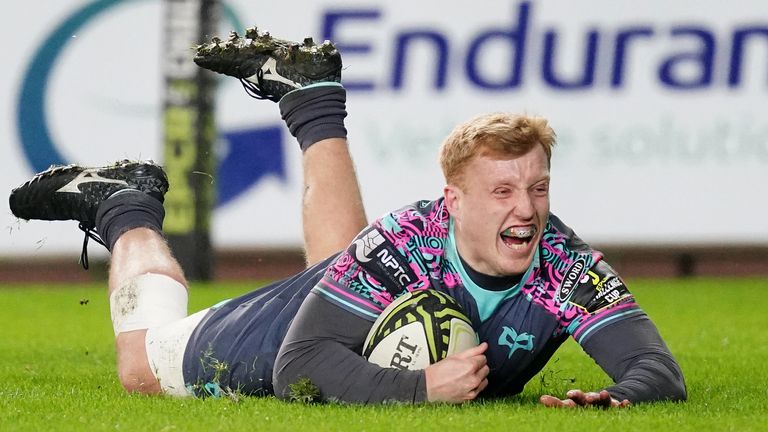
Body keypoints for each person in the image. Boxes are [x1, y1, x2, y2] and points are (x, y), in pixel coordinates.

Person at [9, 27, 686, 406]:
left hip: (350, 295)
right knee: (141, 368)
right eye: (503, 191)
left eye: (538, 189)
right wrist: (422, 388)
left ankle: (313, 99)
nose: (528, 209)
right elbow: (297, 369)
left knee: (345, 259)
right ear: (452, 201)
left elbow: (657, 370)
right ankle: (123, 204)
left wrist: (619, 397)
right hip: (281, 336)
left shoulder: (564, 266)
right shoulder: (406, 239)